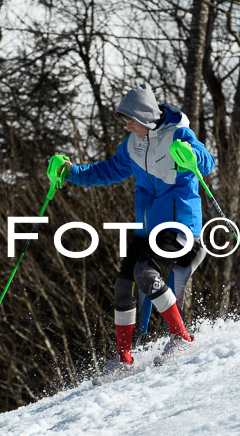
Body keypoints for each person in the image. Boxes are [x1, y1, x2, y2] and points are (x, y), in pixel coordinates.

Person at [59, 83, 215, 381]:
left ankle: (181, 337)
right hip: (147, 228)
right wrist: (71, 172)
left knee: (147, 275)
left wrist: (191, 157)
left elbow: (206, 162)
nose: (126, 125)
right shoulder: (132, 144)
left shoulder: (177, 134)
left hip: (179, 225)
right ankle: (123, 360)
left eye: (129, 119)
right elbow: (107, 170)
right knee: (122, 285)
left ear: (144, 117)